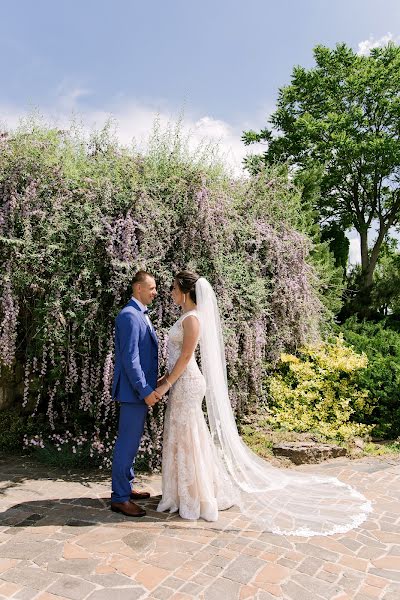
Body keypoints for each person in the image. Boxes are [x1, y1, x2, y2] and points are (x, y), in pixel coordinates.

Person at [155, 271, 372, 536]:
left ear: (186, 291)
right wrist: (165, 379)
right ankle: (183, 493)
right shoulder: (185, 317)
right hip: (179, 382)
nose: (171, 293)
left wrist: (166, 384)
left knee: (190, 436)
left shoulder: (192, 319)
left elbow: (187, 356)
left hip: (187, 384)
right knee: (184, 435)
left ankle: (196, 495)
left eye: (174, 288)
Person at [110, 270, 160, 517]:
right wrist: (145, 391)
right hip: (133, 392)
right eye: (151, 288)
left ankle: (126, 488)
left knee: (130, 443)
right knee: (126, 445)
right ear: (138, 289)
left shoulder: (140, 314)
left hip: (138, 392)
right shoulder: (129, 316)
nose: (155, 292)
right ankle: (119, 498)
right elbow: (131, 361)